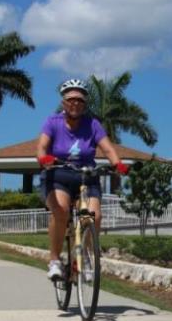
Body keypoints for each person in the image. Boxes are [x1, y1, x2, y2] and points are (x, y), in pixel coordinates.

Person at [37, 79, 128, 281]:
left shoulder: (93, 124)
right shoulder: (53, 122)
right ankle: (54, 260)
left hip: (86, 176)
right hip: (58, 175)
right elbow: (42, 147)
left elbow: (108, 148)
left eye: (79, 100)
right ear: (64, 103)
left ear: (84, 104)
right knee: (61, 210)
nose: (75, 104)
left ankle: (85, 258)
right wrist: (44, 159)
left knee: (94, 216)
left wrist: (117, 164)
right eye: (71, 100)